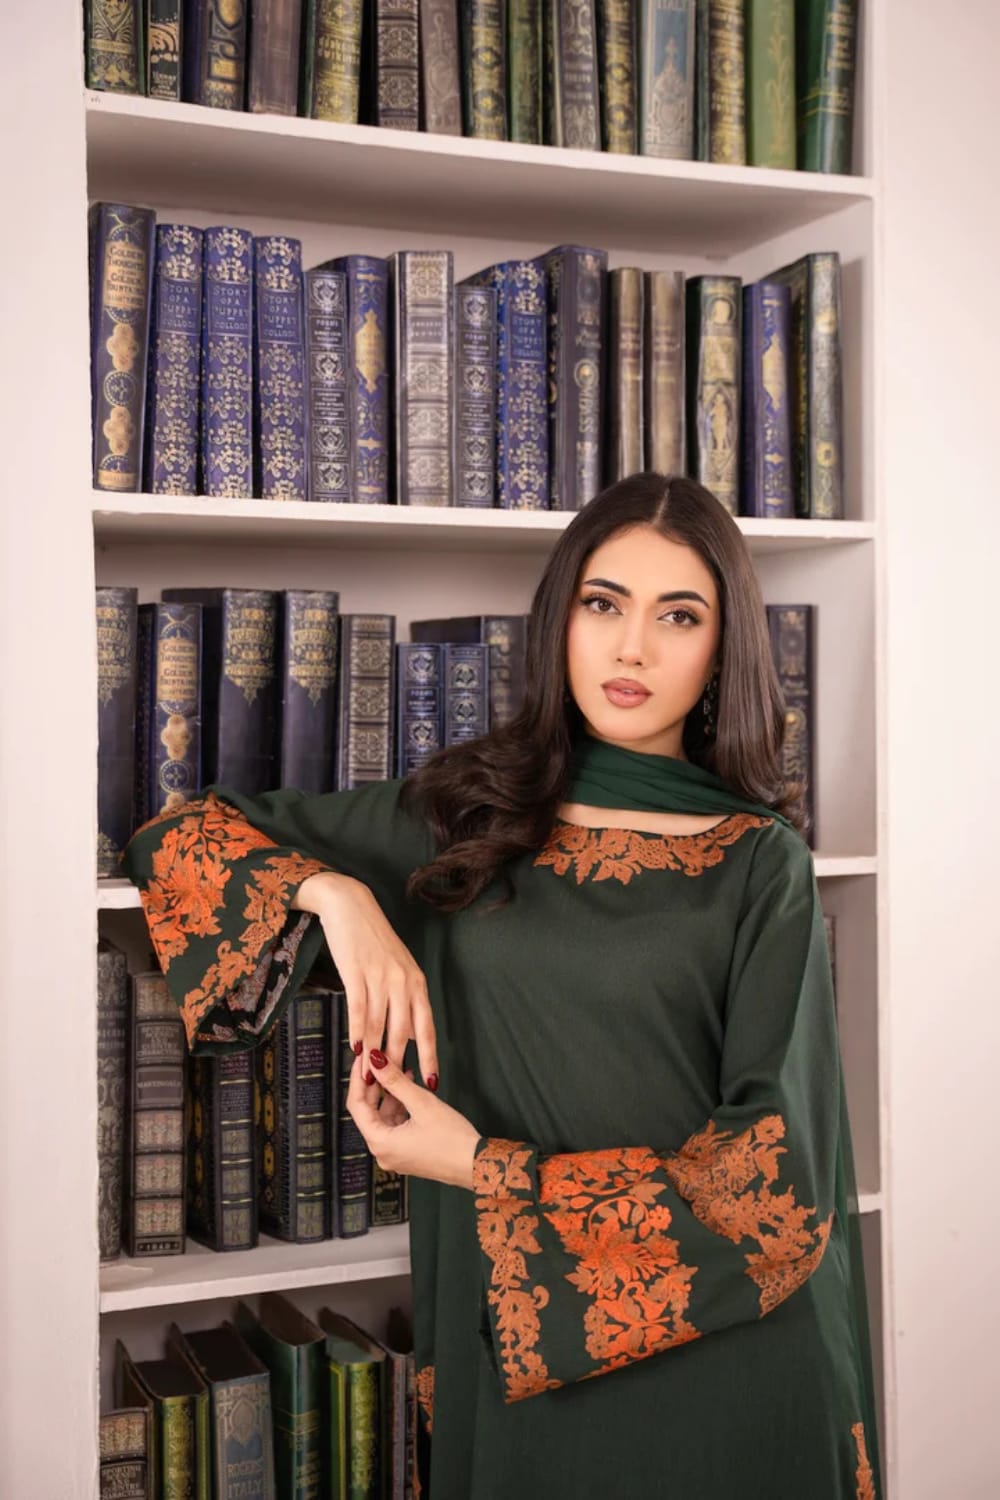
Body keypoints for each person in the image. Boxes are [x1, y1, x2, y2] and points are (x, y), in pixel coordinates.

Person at [120, 472, 883, 1499]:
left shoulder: (758, 862)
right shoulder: (464, 819)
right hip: (525, 1369)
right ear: (558, 617)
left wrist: (480, 1165)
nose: (631, 650)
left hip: (732, 1367)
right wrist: (338, 896)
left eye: (678, 617)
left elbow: (772, 1188)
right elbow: (177, 840)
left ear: (720, 651)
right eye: (603, 604)